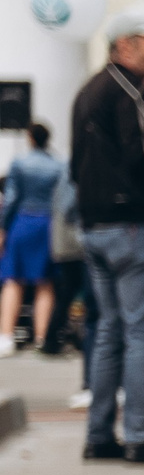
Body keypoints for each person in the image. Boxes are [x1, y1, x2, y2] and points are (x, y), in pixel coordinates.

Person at [70, 4, 144, 464]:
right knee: (141, 332)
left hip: (95, 224)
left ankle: (99, 434)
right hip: (132, 226)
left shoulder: (89, 90)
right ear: (125, 45)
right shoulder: (129, 91)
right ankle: (138, 434)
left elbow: (78, 164)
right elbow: (142, 160)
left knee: (108, 331)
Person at [1, 122, 65, 354]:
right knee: (44, 281)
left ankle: (6, 336)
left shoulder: (20, 163)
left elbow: (11, 198)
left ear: (30, 138)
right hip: (48, 223)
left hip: (23, 221)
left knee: (13, 279)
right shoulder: (58, 165)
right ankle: (41, 337)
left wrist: (3, 227)